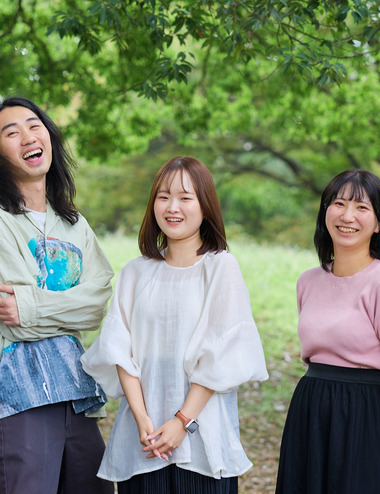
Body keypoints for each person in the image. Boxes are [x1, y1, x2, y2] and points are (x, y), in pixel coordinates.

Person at [81, 157, 268, 493]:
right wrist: (143, 421)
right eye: (164, 196)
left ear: (205, 205)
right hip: (143, 440)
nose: (172, 207)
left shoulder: (220, 267)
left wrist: (183, 421)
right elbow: (119, 350)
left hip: (203, 442)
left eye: (185, 197)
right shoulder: (136, 272)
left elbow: (221, 355)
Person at [0, 97, 115, 494]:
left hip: (77, 392)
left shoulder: (73, 223)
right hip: (15, 395)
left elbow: (98, 304)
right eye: (11, 132)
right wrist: (69, 307)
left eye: (34, 126)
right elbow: (15, 323)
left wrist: (31, 305)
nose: (28, 136)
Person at [275, 169, 380, 494]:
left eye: (361, 208)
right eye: (338, 204)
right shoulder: (308, 281)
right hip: (310, 410)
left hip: (365, 415)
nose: (347, 216)